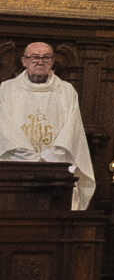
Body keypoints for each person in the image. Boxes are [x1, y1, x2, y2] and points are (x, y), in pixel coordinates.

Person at [0, 43, 96, 210]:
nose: (40, 61)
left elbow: (71, 129)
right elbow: (5, 129)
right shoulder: (6, 90)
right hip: (16, 167)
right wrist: (32, 158)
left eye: (46, 57)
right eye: (34, 57)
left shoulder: (66, 91)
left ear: (52, 61)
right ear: (24, 61)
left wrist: (50, 157)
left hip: (57, 167)